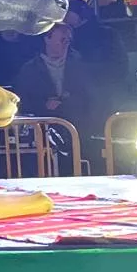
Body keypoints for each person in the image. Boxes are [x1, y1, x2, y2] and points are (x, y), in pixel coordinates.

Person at [13, 22, 103, 170]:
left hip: (78, 128)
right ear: (47, 39)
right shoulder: (29, 70)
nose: (65, 44)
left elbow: (91, 97)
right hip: (44, 132)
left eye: (68, 40)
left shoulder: (80, 66)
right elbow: (22, 100)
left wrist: (69, 102)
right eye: (62, 40)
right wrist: (43, 105)